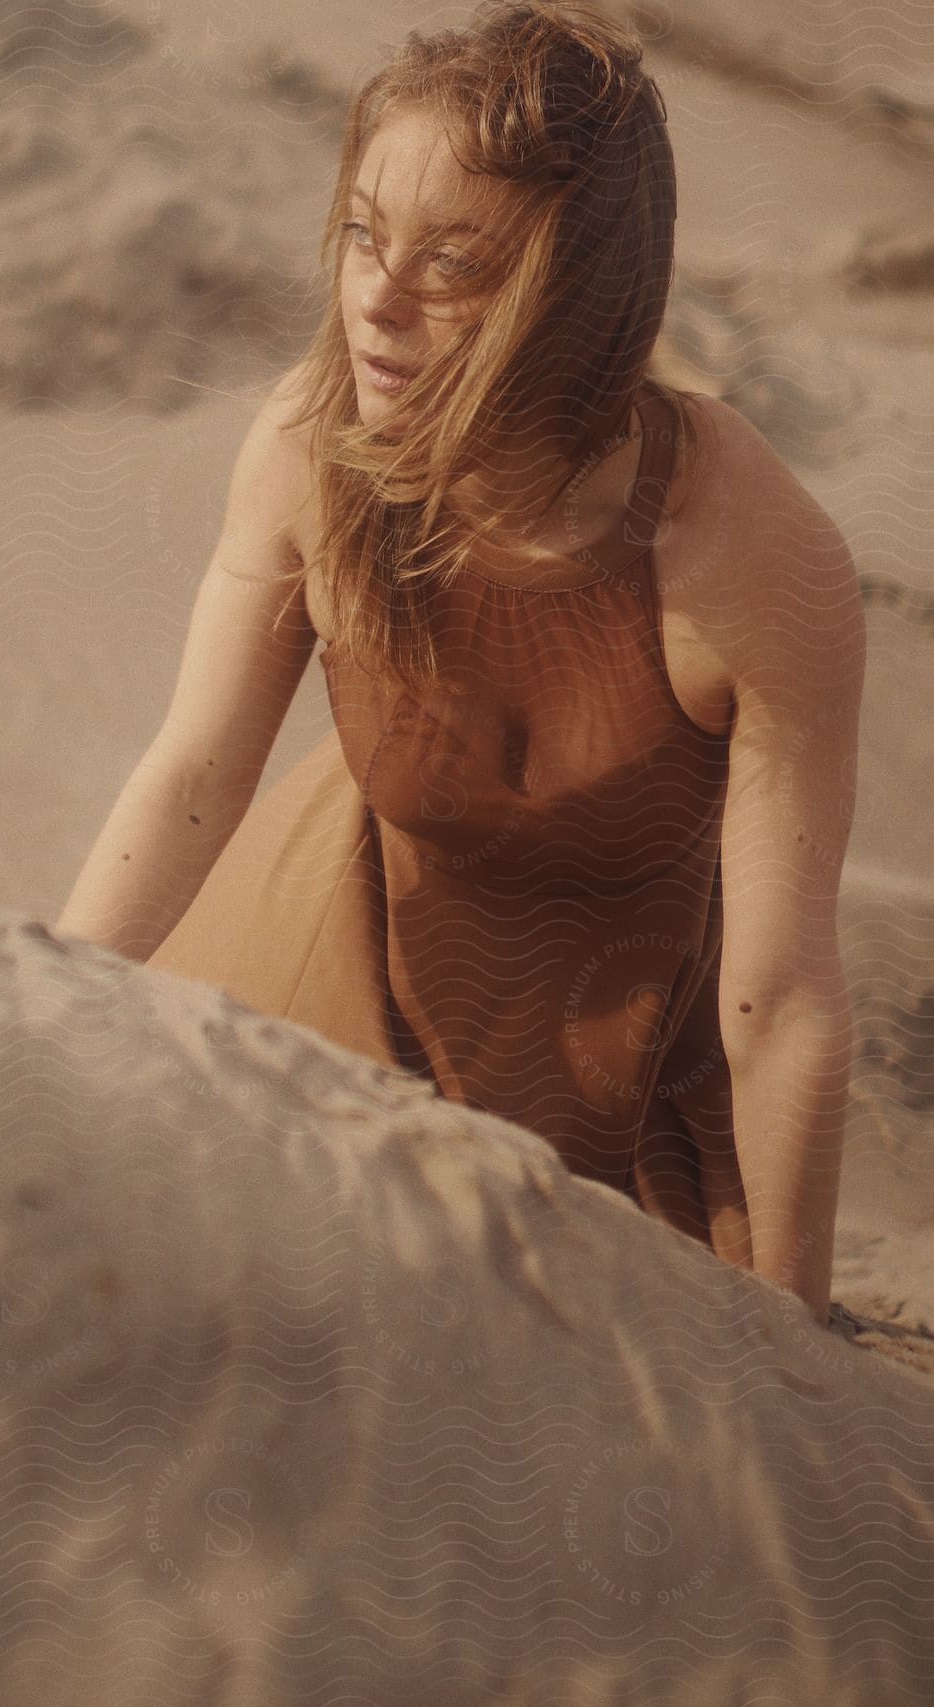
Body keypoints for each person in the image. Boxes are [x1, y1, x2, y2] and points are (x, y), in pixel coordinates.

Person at [56, 2, 864, 1331]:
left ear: (579, 299)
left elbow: (782, 996)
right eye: (366, 235)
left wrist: (797, 1333)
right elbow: (196, 772)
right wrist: (36, 1001)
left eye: (452, 265)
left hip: (624, 1053)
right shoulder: (312, 441)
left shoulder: (752, 559)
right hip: (333, 951)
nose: (375, 297)